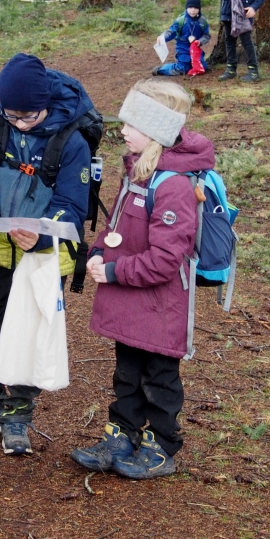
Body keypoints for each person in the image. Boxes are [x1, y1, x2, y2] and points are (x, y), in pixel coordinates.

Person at [0, 53, 93, 456]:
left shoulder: (71, 140)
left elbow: (71, 203)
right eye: (13, 116)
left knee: (30, 331)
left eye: (29, 117)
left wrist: (42, 236)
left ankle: (18, 415)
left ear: (45, 104)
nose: (20, 124)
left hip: (43, 255)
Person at [70, 78, 215, 479]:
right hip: (132, 303)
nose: (123, 131)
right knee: (127, 371)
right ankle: (122, 434)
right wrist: (100, 251)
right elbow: (114, 224)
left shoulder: (173, 188)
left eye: (132, 124)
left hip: (160, 306)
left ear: (155, 131)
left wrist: (115, 271)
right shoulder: (137, 171)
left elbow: (166, 260)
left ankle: (161, 445)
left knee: (159, 378)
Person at [152, 0, 211, 77]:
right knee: (182, 69)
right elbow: (171, 31)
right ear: (187, 7)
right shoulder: (181, 20)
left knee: (203, 67)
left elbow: (206, 35)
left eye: (195, 7)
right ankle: (161, 69)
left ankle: (192, 65)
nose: (193, 10)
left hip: (196, 49)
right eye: (190, 7)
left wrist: (199, 42)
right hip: (183, 49)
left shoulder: (202, 21)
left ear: (199, 9)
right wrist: (162, 37)